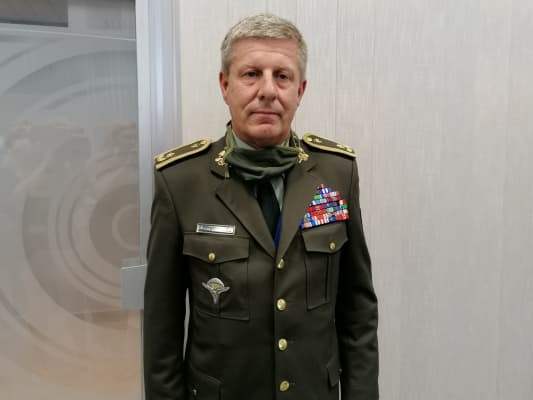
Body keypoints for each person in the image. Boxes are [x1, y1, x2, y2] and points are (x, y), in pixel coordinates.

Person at [143, 13, 378, 400]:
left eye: (282, 76)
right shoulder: (182, 182)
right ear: (225, 85)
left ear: (300, 90)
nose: (268, 90)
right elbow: (162, 331)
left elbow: (358, 312)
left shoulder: (336, 173)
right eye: (251, 74)